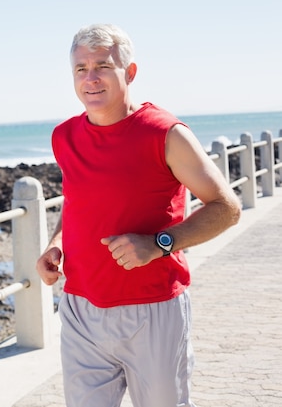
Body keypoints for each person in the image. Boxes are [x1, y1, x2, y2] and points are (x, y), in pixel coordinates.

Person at [36, 24, 241, 407]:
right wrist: (56, 243)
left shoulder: (165, 133)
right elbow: (76, 200)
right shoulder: (63, 136)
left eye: (103, 66)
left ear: (129, 73)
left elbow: (227, 208)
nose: (91, 78)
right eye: (81, 69)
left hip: (152, 309)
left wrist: (161, 244)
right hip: (80, 308)